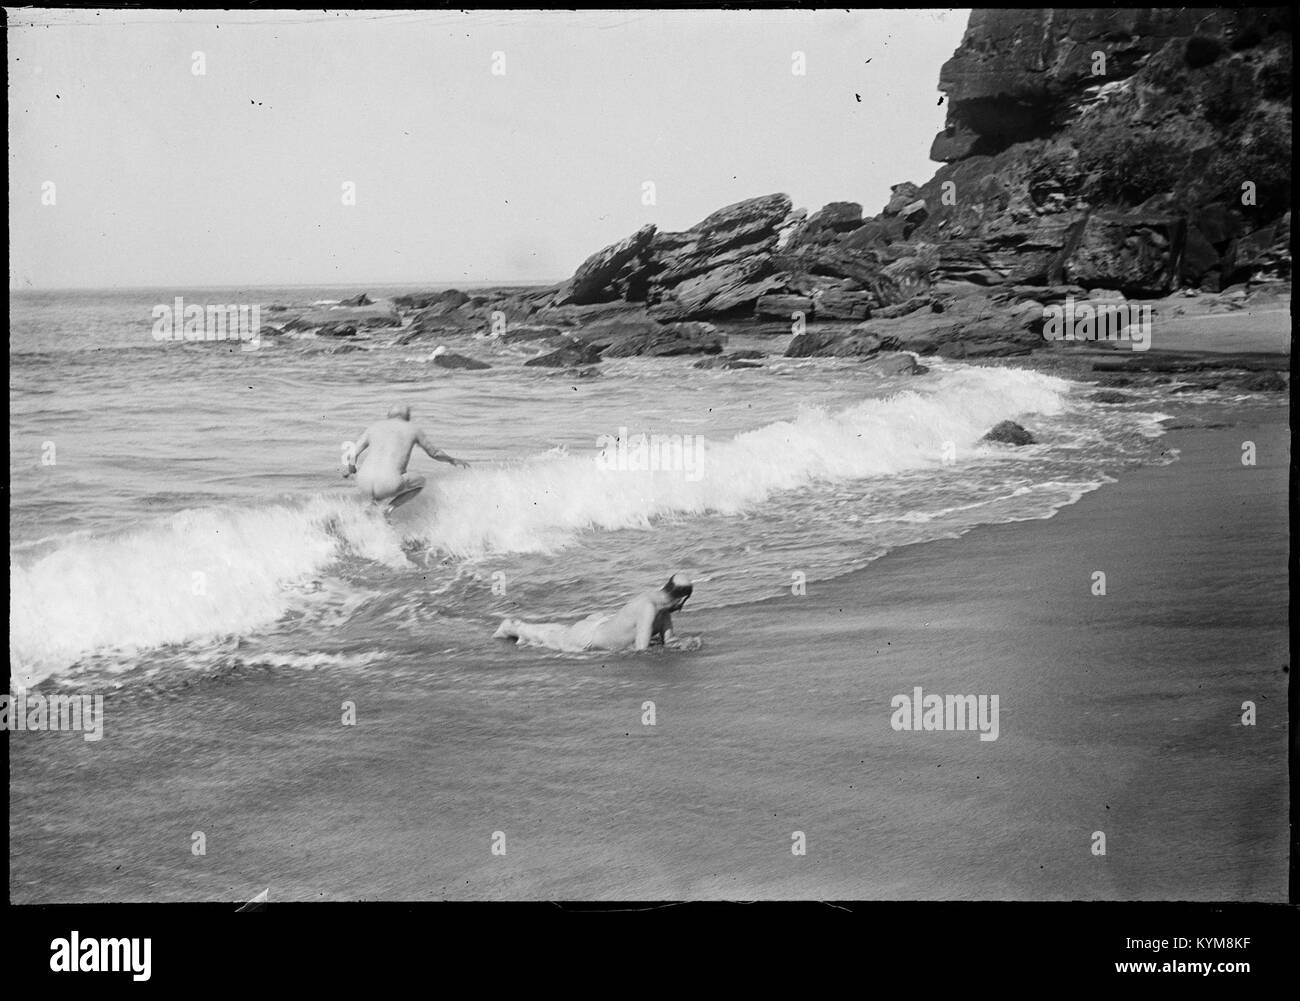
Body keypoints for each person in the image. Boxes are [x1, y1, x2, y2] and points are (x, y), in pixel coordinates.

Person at [494, 574, 698, 652]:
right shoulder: (649, 608)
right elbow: (641, 651)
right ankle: (510, 627)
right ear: (681, 599)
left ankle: (517, 627)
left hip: (602, 625)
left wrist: (684, 644)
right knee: (545, 637)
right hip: (588, 638)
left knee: (557, 632)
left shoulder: (662, 611)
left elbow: (669, 640)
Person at [343, 403, 468, 511]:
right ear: (407, 417)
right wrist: (452, 460)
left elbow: (353, 454)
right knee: (421, 482)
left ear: (388, 416)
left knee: (375, 496)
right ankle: (389, 509)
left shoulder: (373, 427)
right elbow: (434, 453)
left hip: (363, 482)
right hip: (389, 484)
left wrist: (351, 470)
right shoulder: (412, 429)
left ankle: (369, 515)